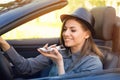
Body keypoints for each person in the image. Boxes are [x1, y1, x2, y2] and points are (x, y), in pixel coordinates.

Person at [0, 8, 104, 77]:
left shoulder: (93, 64)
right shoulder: (60, 51)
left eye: (73, 30)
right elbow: (26, 68)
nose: (66, 34)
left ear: (87, 34)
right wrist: (3, 44)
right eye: (64, 29)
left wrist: (59, 63)